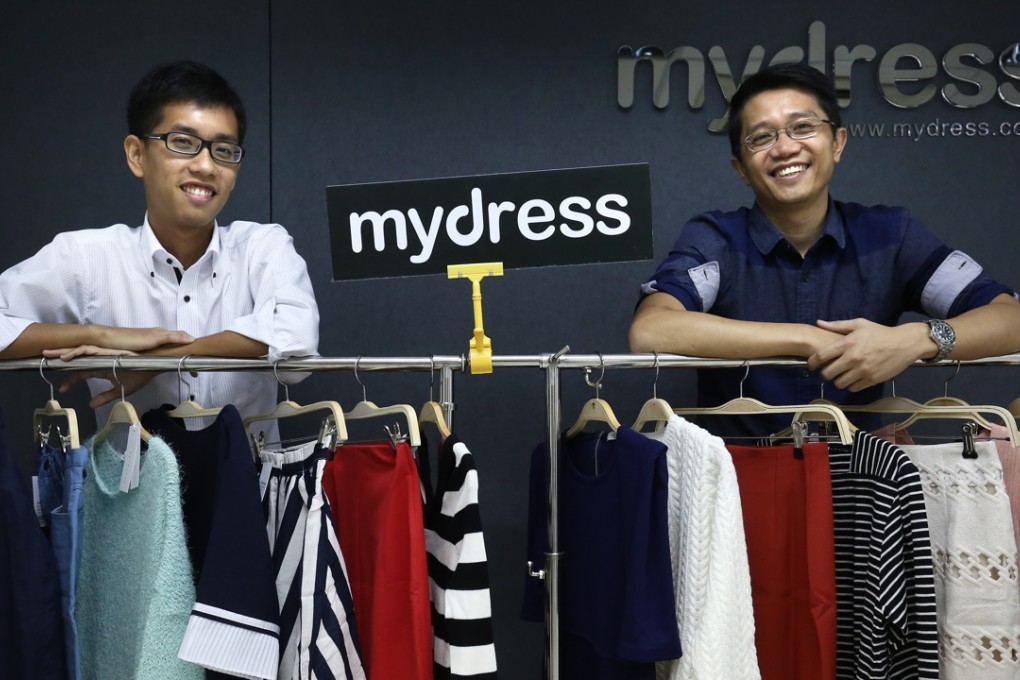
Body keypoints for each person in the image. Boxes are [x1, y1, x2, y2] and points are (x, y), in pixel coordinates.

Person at [629, 63, 1020, 436]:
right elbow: (651, 330)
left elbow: (1010, 318)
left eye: (802, 127)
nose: (785, 148)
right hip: (736, 482)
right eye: (761, 137)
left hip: (862, 477)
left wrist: (919, 338)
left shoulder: (890, 236)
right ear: (740, 168)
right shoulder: (716, 238)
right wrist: (804, 337)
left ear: (838, 142)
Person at [0, 60, 319, 435]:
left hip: (252, 487)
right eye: (182, 143)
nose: (205, 165)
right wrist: (105, 336)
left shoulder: (262, 247)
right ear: (137, 155)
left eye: (224, 150)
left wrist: (159, 360)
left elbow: (296, 343)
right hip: (129, 490)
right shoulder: (84, 257)